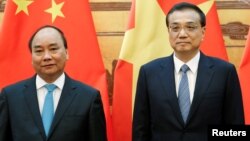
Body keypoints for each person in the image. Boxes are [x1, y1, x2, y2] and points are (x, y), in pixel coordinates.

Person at [132, 2, 245, 141]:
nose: (182, 34)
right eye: (175, 28)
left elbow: (234, 128)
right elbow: (140, 129)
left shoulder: (224, 72)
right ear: (168, 32)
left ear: (203, 32)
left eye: (190, 27)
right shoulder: (149, 72)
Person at [0, 25, 107, 141]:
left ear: (66, 53)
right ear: (31, 58)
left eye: (53, 49)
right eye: (39, 51)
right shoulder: (10, 97)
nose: (46, 57)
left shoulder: (89, 98)